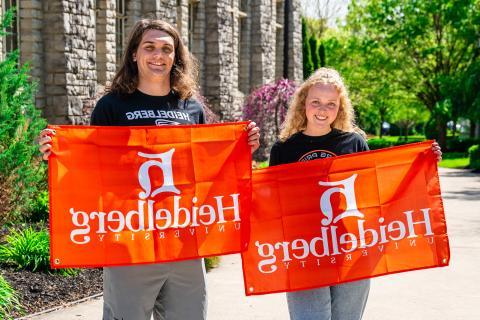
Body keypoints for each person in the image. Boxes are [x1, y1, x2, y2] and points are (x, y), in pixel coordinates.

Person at [38, 19, 260, 320]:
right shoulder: (111, 106)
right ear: (134, 54)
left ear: (176, 56)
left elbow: (206, 170)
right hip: (129, 239)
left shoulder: (190, 107)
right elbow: (92, 167)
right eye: (150, 47)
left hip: (183, 239)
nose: (159, 55)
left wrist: (241, 148)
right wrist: (57, 153)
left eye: (167, 49)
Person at [269, 67, 442, 320]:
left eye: (331, 104)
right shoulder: (284, 149)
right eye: (316, 102)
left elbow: (377, 190)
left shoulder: (354, 143)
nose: (322, 109)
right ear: (303, 103)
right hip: (304, 253)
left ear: (340, 107)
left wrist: (422, 164)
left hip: (351, 250)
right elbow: (269, 201)